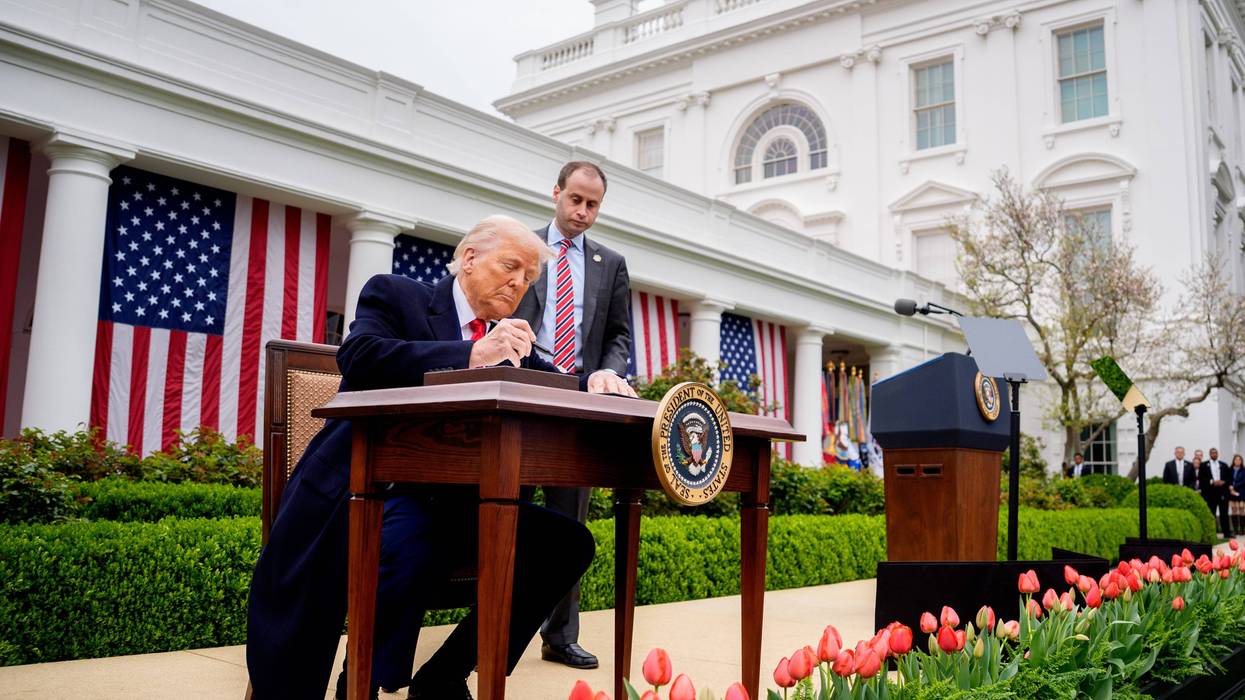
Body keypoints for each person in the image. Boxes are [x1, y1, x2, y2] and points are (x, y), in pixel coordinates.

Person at [245, 216, 622, 700]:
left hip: (459, 504)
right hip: (366, 489)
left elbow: (554, 380)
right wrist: (471, 353)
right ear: (469, 258)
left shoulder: (512, 339)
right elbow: (359, 357)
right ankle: (364, 683)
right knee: (413, 541)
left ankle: (444, 676)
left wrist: (592, 381)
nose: (518, 283)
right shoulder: (398, 295)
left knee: (566, 543)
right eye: (510, 266)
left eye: (528, 277)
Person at [512, 161, 635, 670]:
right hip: (521, 400)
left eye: (593, 204)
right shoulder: (522, 247)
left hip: (579, 408)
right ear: (556, 193)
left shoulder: (611, 263)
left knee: (570, 524)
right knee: (506, 517)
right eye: (576, 200)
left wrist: (608, 374)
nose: (583, 212)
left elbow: (619, 336)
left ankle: (559, 636)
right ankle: (496, 623)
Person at [1207, 447, 1235, 538]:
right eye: (1212, 453)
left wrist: (1223, 482)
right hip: (1211, 492)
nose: (1214, 454)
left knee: (1224, 513)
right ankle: (1212, 533)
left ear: (1217, 454)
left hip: (1222, 492)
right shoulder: (1204, 465)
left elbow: (1229, 478)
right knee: (1212, 513)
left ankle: (1226, 532)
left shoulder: (1223, 465)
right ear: (1210, 454)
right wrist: (1212, 482)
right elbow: (1202, 478)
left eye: (1215, 453)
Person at [1229, 454, 1245, 536]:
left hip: (1241, 492)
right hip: (1231, 493)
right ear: (1234, 461)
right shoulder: (1230, 469)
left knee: (1241, 509)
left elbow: (1243, 481)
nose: (1237, 461)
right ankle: (1235, 530)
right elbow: (1228, 479)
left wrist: (1234, 487)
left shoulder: (1244, 470)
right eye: (1236, 459)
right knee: (1234, 509)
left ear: (1241, 461)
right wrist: (1230, 488)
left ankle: (1242, 529)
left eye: (1239, 459)